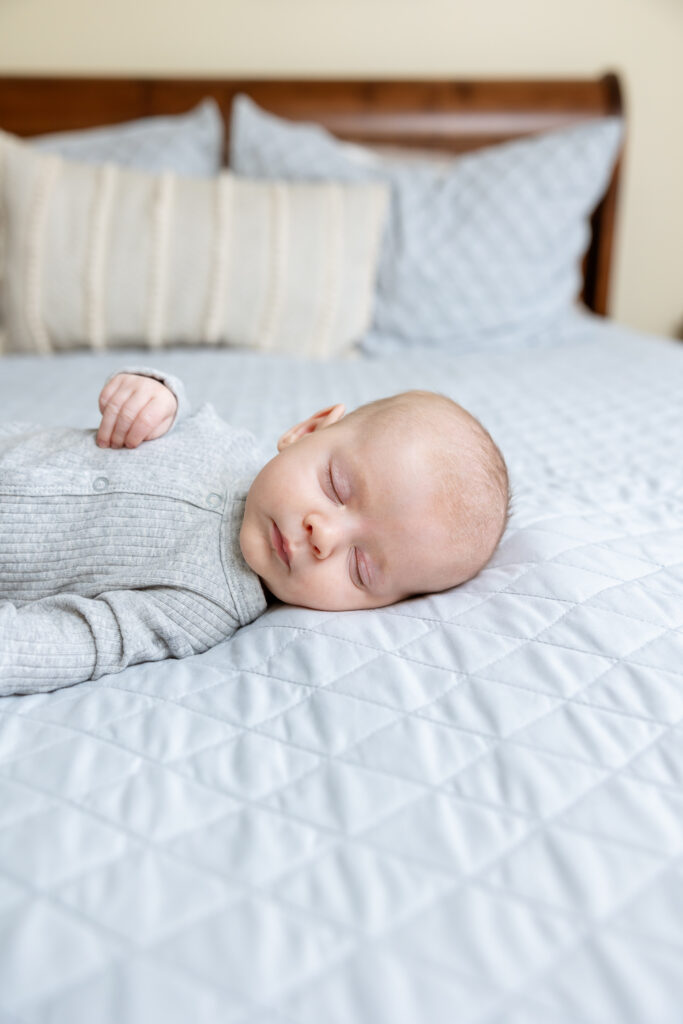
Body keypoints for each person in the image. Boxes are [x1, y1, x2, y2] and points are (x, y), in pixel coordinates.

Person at [0, 367, 509, 695]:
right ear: (307, 431)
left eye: (361, 567)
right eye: (336, 485)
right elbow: (165, 414)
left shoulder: (208, 606)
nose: (323, 536)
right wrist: (153, 393)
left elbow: (90, 638)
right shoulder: (224, 441)